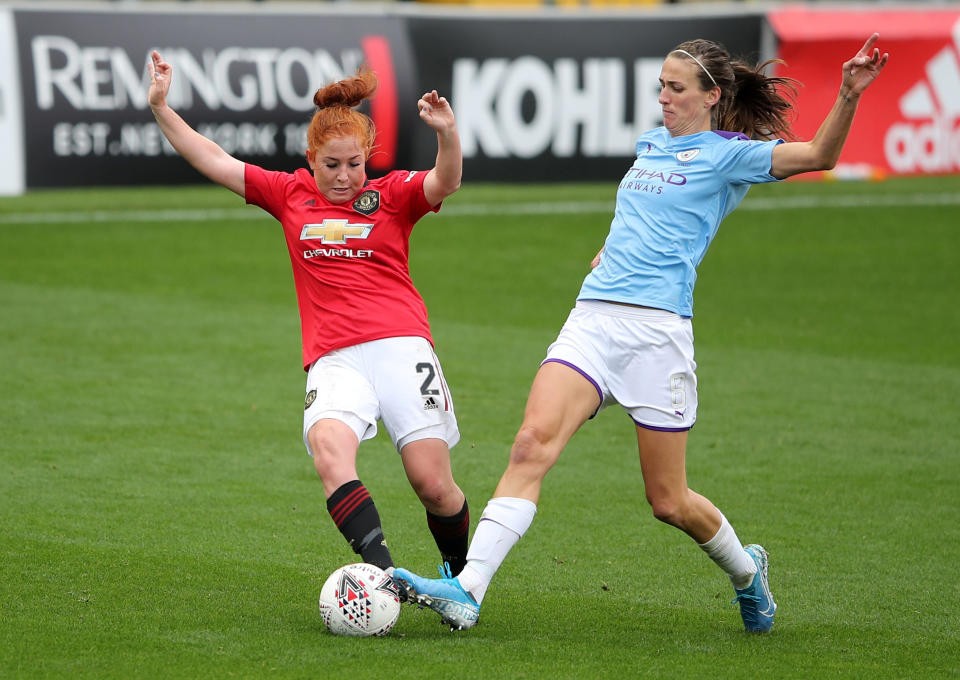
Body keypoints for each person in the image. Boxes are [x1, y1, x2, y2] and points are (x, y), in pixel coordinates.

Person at [393, 34, 888, 632]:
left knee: (669, 502)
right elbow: (642, 215)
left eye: (676, 89)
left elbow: (818, 156)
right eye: (660, 86)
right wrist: (611, 249)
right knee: (530, 445)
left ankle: (746, 572)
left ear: (710, 97)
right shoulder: (651, 144)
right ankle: (468, 591)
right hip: (594, 320)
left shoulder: (730, 154)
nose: (663, 98)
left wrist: (849, 92)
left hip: (658, 337)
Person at [147, 51, 472, 580]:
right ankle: (385, 578)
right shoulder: (289, 193)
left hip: (401, 346)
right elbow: (212, 158)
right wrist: (162, 107)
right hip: (334, 357)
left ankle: (461, 580)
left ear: (368, 156)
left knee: (433, 486)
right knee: (329, 452)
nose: (344, 177)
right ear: (310, 157)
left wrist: (447, 134)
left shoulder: (392, 195)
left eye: (354, 164)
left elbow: (447, 181)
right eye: (331, 165)